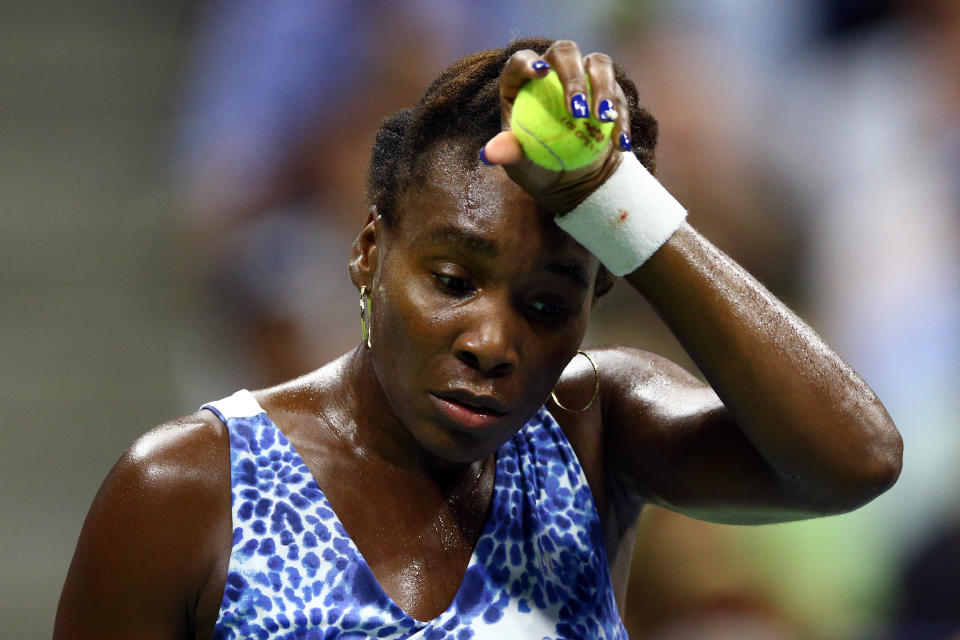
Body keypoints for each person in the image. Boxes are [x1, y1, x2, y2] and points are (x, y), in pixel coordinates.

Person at [53, 38, 902, 639]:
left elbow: (855, 456)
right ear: (368, 251)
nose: (493, 341)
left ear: (593, 304)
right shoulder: (185, 490)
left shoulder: (594, 424)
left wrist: (616, 197)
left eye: (545, 306)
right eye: (452, 282)